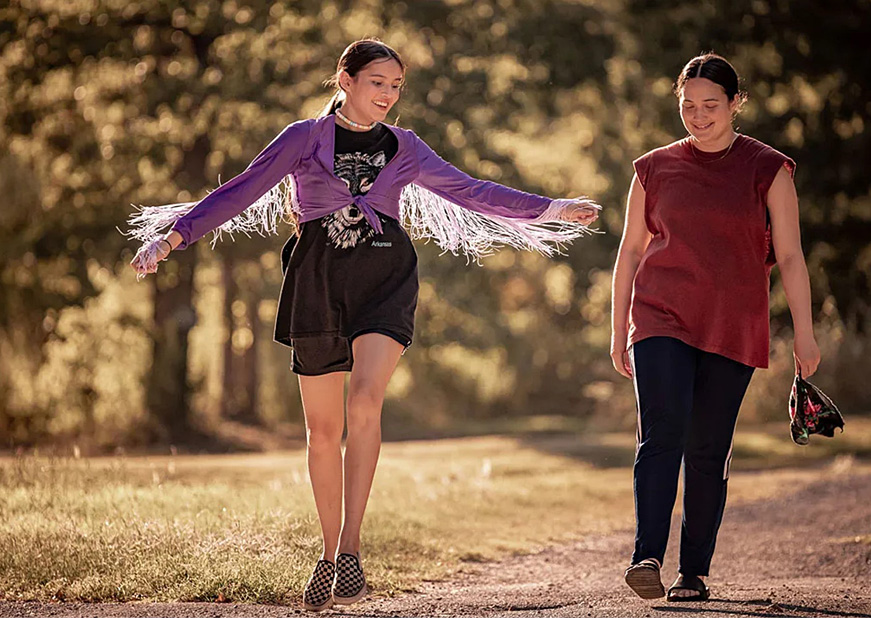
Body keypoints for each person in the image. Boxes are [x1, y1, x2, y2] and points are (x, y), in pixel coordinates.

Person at [128, 39, 599, 611]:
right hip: (317, 282)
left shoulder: (406, 146)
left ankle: (351, 546)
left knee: (365, 403)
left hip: (385, 278)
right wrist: (173, 235)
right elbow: (241, 190)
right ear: (344, 80)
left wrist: (550, 208)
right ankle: (329, 556)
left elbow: (473, 191)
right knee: (322, 432)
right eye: (378, 82)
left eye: (396, 85)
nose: (388, 94)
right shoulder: (305, 138)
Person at [609, 53, 820, 602]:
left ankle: (693, 571)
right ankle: (646, 556)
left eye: (710, 105)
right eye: (688, 106)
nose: (698, 116)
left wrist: (805, 334)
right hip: (659, 315)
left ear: (735, 104)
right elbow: (630, 251)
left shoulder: (768, 168)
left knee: (707, 448)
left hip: (733, 322)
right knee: (662, 432)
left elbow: (792, 258)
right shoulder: (652, 168)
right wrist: (618, 328)